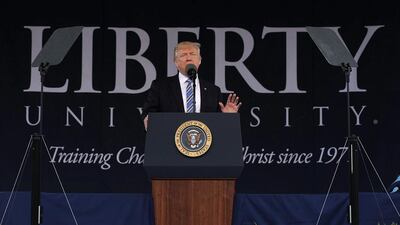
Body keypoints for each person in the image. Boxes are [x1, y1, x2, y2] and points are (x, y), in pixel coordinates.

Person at [141, 41, 242, 130]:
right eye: (183, 55)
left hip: (205, 146)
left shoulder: (213, 90)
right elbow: (149, 113)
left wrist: (227, 117)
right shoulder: (161, 86)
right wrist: (149, 120)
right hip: (170, 143)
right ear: (176, 62)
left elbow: (218, 126)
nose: (188, 58)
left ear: (199, 61)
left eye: (192, 54)